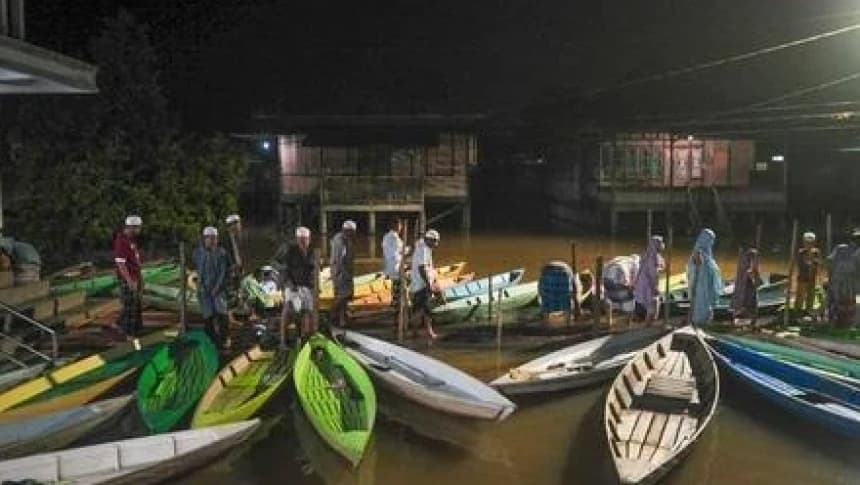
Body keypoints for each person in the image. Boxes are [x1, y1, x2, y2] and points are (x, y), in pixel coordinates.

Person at [193, 226, 230, 350]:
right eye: (209, 238)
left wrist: (217, 288)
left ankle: (224, 339)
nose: (211, 241)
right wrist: (201, 286)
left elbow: (223, 273)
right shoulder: (198, 253)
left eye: (214, 238)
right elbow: (198, 271)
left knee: (222, 314)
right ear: (204, 239)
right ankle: (211, 341)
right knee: (207, 317)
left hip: (218, 290)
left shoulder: (221, 253)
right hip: (204, 290)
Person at [281, 226, 316, 339]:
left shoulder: (312, 251)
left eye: (305, 239)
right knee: (288, 309)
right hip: (293, 285)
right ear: (297, 240)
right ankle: (283, 339)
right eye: (301, 240)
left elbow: (314, 270)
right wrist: (289, 284)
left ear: (309, 239)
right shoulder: (290, 250)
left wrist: (314, 286)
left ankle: (303, 337)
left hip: (307, 286)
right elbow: (284, 268)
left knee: (307, 312)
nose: (303, 242)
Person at [112, 216, 144, 337]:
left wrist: (140, 278)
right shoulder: (122, 241)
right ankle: (128, 333)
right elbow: (121, 263)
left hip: (135, 276)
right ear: (131, 227)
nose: (139, 231)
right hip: (128, 278)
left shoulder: (131, 241)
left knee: (135, 304)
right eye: (138, 228)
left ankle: (130, 328)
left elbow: (135, 260)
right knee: (130, 305)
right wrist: (129, 280)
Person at [410, 229, 443, 339]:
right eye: (435, 241)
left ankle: (416, 331)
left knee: (420, 308)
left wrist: (434, 280)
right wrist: (429, 284)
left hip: (420, 283)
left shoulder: (424, 246)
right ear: (429, 240)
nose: (436, 244)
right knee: (425, 308)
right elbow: (422, 268)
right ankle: (429, 332)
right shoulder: (423, 249)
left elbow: (428, 267)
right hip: (421, 284)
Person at [687, 228, 723, 326]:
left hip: (707, 285)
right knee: (700, 305)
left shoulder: (707, 253)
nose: (712, 242)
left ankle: (702, 324)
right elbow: (695, 269)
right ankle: (698, 324)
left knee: (707, 305)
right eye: (710, 240)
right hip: (700, 285)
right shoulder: (698, 253)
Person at [330, 220, 356, 327]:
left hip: (343, 272)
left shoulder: (345, 239)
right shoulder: (341, 241)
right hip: (341, 273)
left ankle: (342, 319)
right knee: (341, 297)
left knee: (344, 297)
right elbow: (339, 260)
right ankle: (331, 315)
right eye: (353, 231)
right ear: (347, 231)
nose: (354, 234)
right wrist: (345, 274)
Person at [633, 235, 665, 323]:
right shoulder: (653, 257)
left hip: (642, 282)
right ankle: (648, 322)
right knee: (652, 302)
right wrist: (654, 287)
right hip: (648, 283)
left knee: (646, 301)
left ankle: (643, 319)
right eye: (660, 243)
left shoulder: (648, 254)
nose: (662, 245)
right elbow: (653, 273)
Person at [826, 242, 857, 326]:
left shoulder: (855, 254)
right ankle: (838, 319)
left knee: (846, 301)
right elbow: (829, 263)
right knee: (839, 300)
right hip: (841, 283)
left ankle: (844, 320)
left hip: (846, 284)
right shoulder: (842, 250)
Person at [731, 244, 761, 326]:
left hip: (745, 288)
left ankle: (737, 319)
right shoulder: (747, 268)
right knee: (748, 303)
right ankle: (751, 320)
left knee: (744, 303)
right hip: (747, 288)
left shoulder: (744, 265)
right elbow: (754, 279)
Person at [382, 219, 407, 308]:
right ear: (397, 226)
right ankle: (399, 303)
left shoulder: (385, 236)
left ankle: (395, 301)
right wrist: (408, 249)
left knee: (395, 284)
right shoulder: (396, 238)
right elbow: (401, 251)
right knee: (402, 284)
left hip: (388, 266)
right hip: (396, 266)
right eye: (400, 225)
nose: (401, 227)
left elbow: (392, 251)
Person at [795, 232, 820, 318]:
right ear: (804, 242)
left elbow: (817, 264)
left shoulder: (816, 252)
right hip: (802, 278)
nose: (809, 244)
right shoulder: (801, 252)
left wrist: (813, 262)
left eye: (811, 242)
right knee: (800, 297)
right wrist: (810, 262)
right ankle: (797, 313)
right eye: (807, 242)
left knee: (810, 297)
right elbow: (800, 264)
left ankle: (808, 312)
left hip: (812, 279)